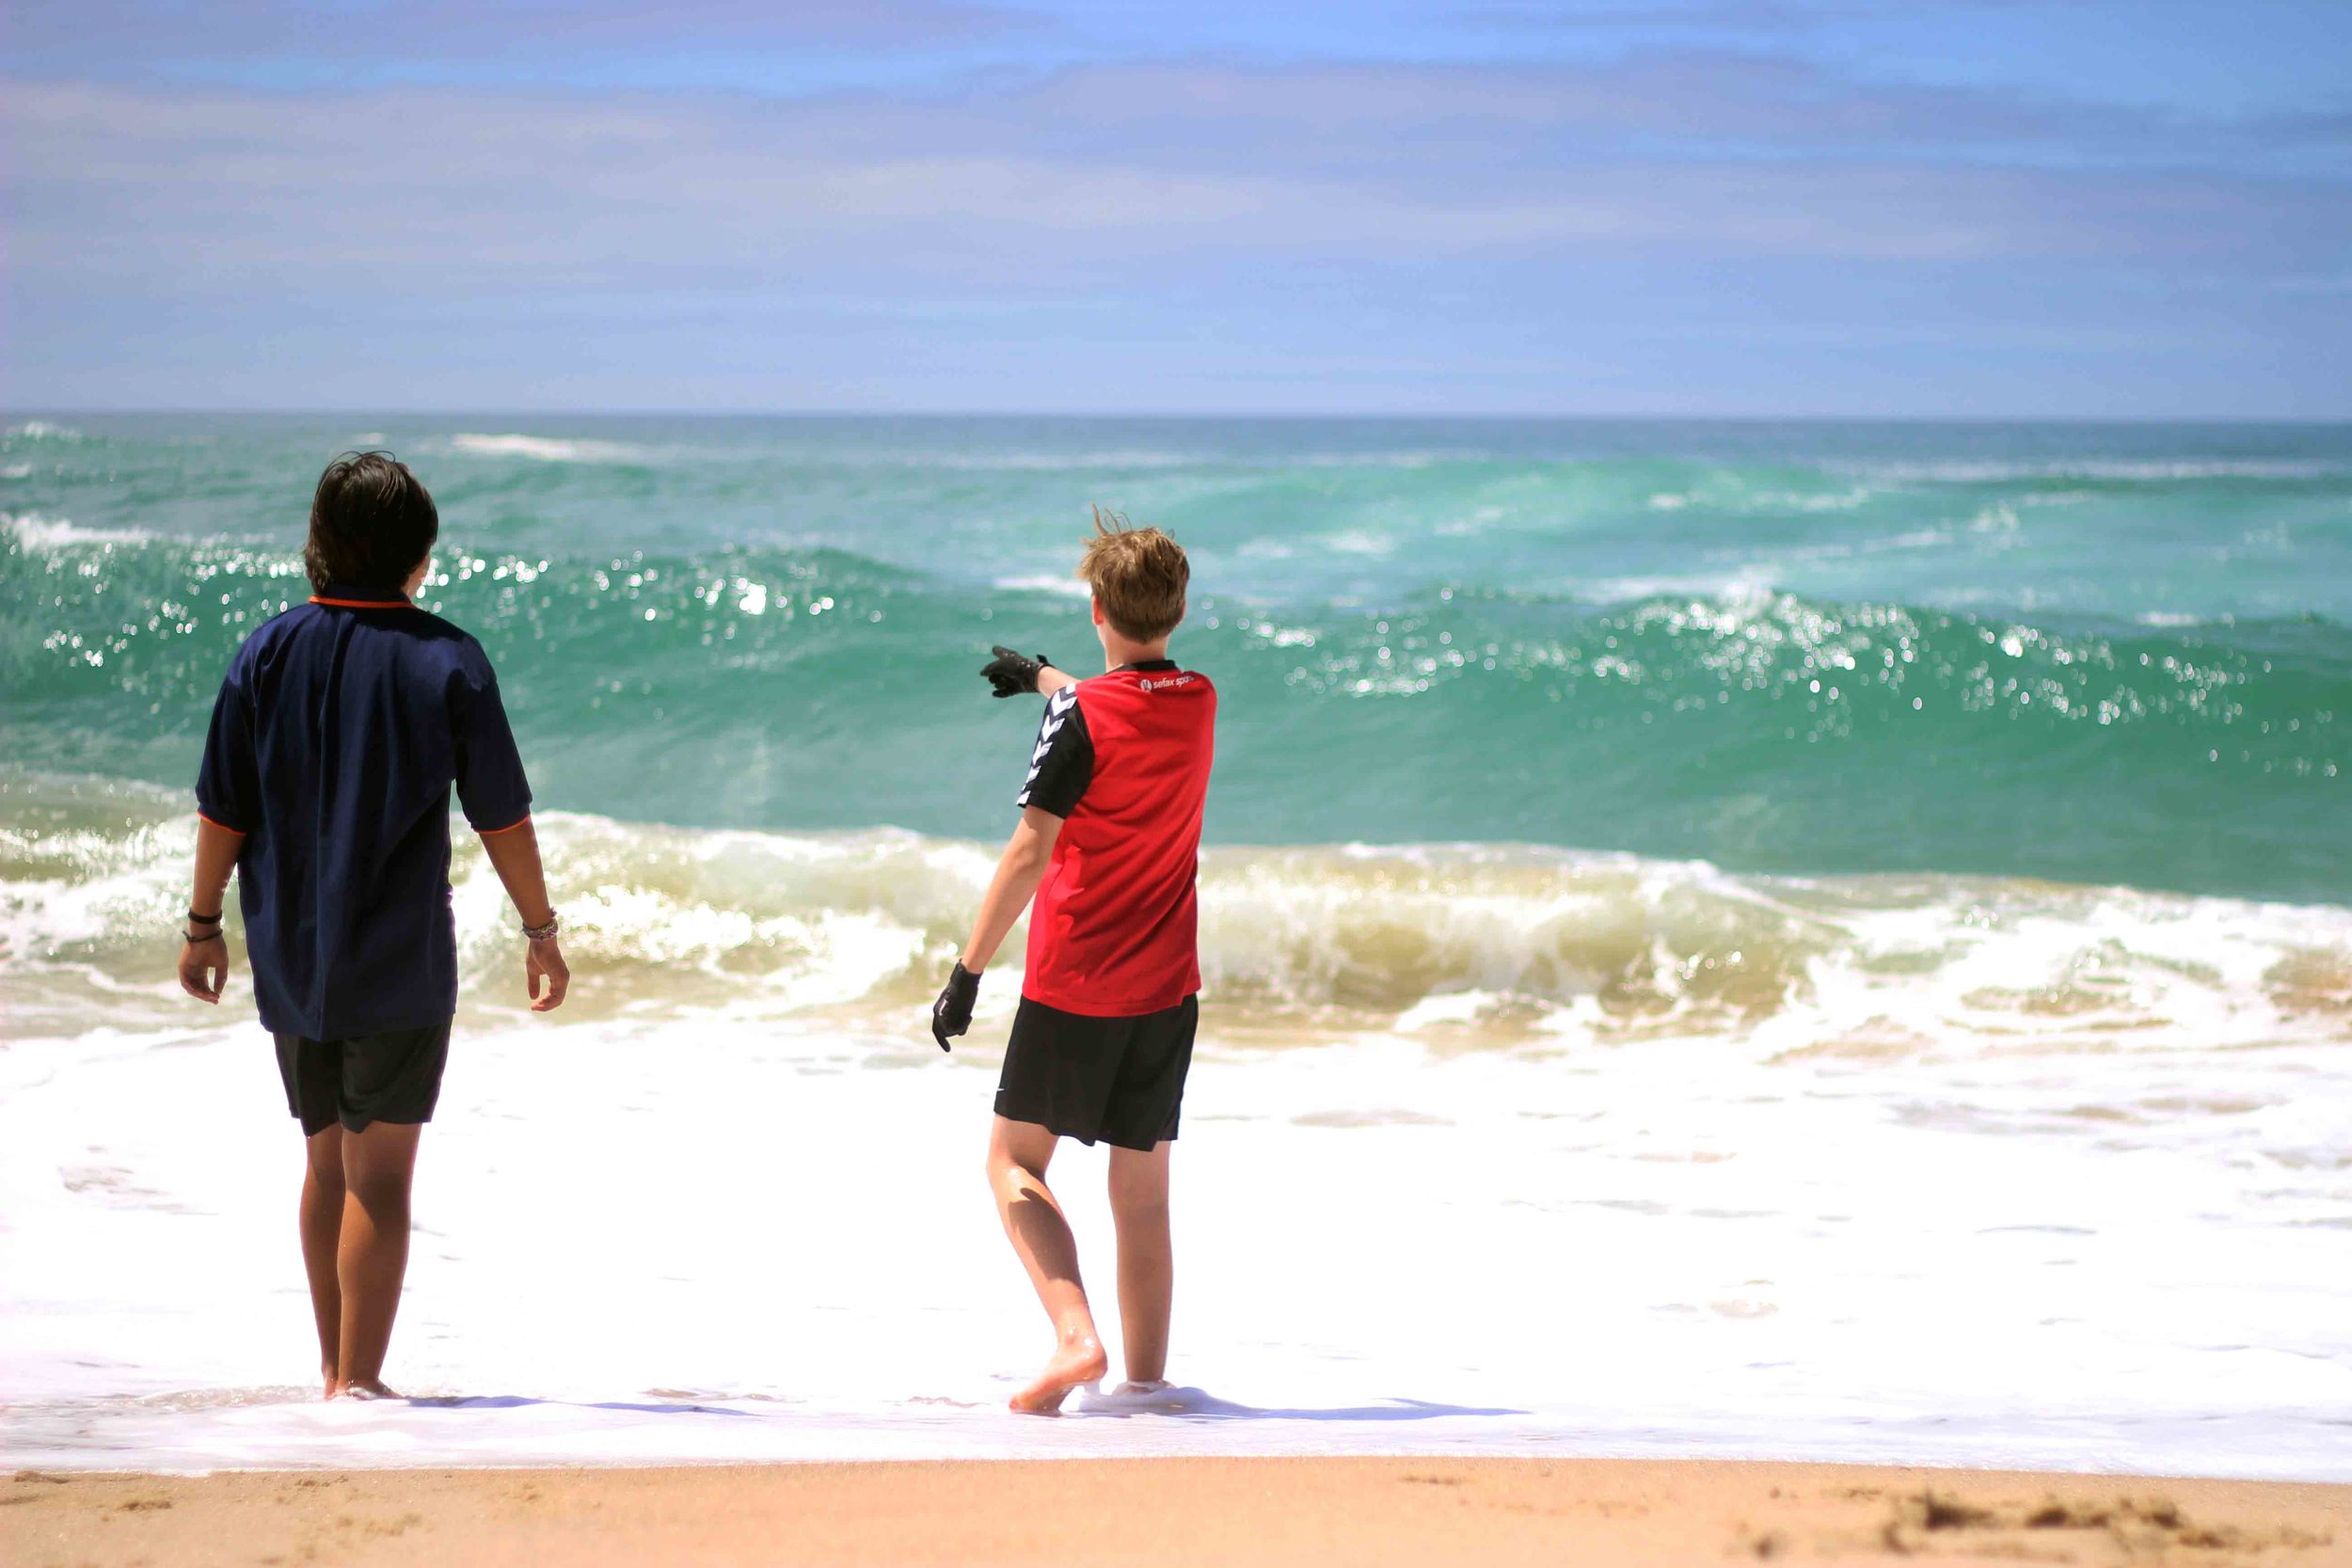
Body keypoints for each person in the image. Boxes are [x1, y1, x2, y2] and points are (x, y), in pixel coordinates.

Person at [176, 451, 570, 1401]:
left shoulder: (265, 650)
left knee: (323, 1159)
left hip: (289, 948)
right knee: (380, 1175)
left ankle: (331, 1373)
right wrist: (540, 927)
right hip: (398, 956)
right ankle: (359, 1382)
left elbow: (223, 808)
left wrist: (201, 924)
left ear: (318, 543)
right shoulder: (448, 658)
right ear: (419, 555)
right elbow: (502, 815)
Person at [932, 507, 1216, 1414]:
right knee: (1141, 1191)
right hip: (1168, 988)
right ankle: (1148, 1391)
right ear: (1176, 609)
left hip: (1076, 985)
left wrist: (967, 971)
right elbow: (1119, 699)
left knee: (1013, 1161)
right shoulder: (1200, 699)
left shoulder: (1079, 720)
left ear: (1096, 606)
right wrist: (1045, 678)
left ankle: (1074, 1338)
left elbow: (1028, 851)